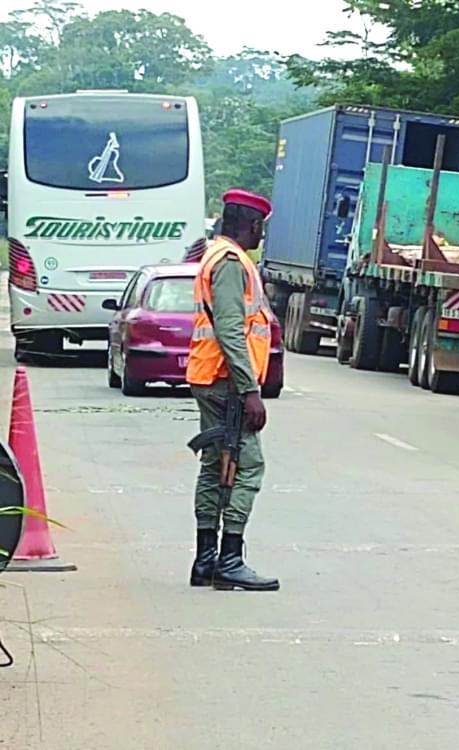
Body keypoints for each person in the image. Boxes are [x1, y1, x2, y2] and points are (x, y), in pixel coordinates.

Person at [186, 189, 279, 591]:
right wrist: (249, 390)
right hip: (226, 380)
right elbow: (230, 330)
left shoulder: (217, 256)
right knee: (248, 464)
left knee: (214, 464)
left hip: (213, 375)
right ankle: (229, 559)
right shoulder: (229, 263)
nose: (261, 235)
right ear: (252, 224)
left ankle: (205, 561)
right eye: (260, 227)